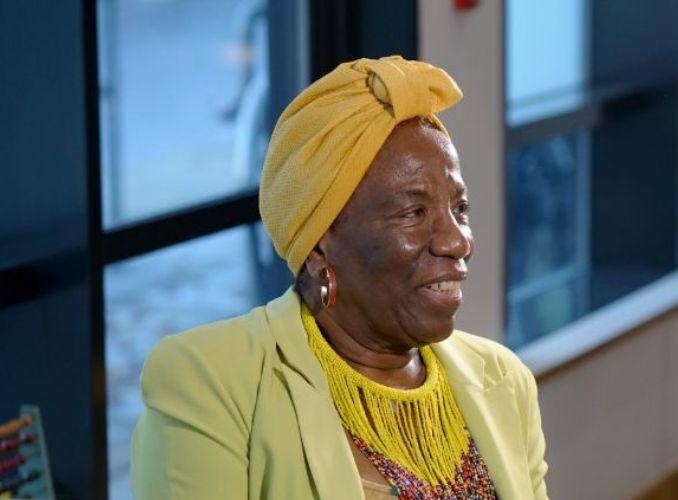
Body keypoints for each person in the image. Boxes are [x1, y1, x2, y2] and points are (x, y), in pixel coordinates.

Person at [130, 56, 549, 499]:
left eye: (459, 209)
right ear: (318, 243)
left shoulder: (504, 380)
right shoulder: (214, 384)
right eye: (414, 212)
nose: (457, 241)